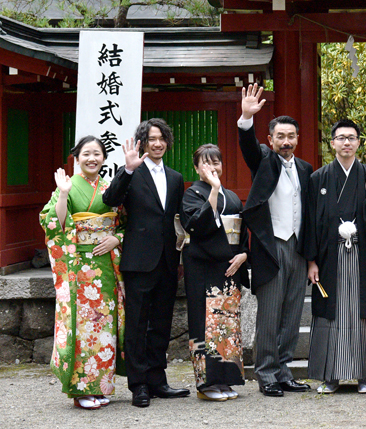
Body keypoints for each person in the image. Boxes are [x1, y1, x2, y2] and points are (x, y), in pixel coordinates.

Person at [102, 118, 188, 408]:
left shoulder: (176, 178)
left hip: (167, 260)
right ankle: (138, 385)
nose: (158, 143)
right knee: (137, 325)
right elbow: (110, 199)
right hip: (138, 260)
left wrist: (180, 255)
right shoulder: (131, 173)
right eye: (152, 138)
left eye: (162, 138)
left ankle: (157, 380)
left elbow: (177, 219)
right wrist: (127, 169)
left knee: (162, 323)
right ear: (142, 142)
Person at [237, 84, 314, 397]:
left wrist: (311, 256)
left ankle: (284, 371)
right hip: (271, 247)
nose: (286, 141)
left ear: (297, 138)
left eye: (291, 136)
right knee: (269, 314)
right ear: (270, 139)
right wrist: (246, 118)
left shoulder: (306, 169)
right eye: (280, 136)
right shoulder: (264, 161)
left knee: (292, 313)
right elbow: (248, 147)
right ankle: (266, 373)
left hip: (297, 246)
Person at [302, 120, 366, 394]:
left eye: (351, 138)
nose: (346, 143)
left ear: (359, 142)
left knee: (362, 312)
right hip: (329, 257)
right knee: (332, 312)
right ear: (332, 143)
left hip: (362, 256)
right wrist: (311, 261)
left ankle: (365, 375)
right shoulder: (318, 178)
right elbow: (311, 222)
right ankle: (331, 376)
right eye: (341, 138)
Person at [41, 136, 125, 410]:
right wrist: (63, 193)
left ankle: (102, 385)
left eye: (97, 154)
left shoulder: (110, 187)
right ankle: (81, 389)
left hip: (106, 268)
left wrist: (118, 238)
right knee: (82, 326)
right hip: (78, 267)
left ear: (104, 158)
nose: (92, 159)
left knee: (104, 327)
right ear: (77, 158)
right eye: (86, 154)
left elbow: (125, 221)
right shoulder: (68, 185)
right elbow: (55, 223)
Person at [180, 144, 248, 401]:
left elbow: (242, 230)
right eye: (206, 163)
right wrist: (214, 190)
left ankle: (225, 380)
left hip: (230, 266)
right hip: (203, 266)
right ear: (197, 168)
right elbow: (197, 226)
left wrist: (243, 254)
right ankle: (206, 385)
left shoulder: (231, 196)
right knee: (204, 323)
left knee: (227, 325)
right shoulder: (192, 194)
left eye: (216, 162)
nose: (212, 168)